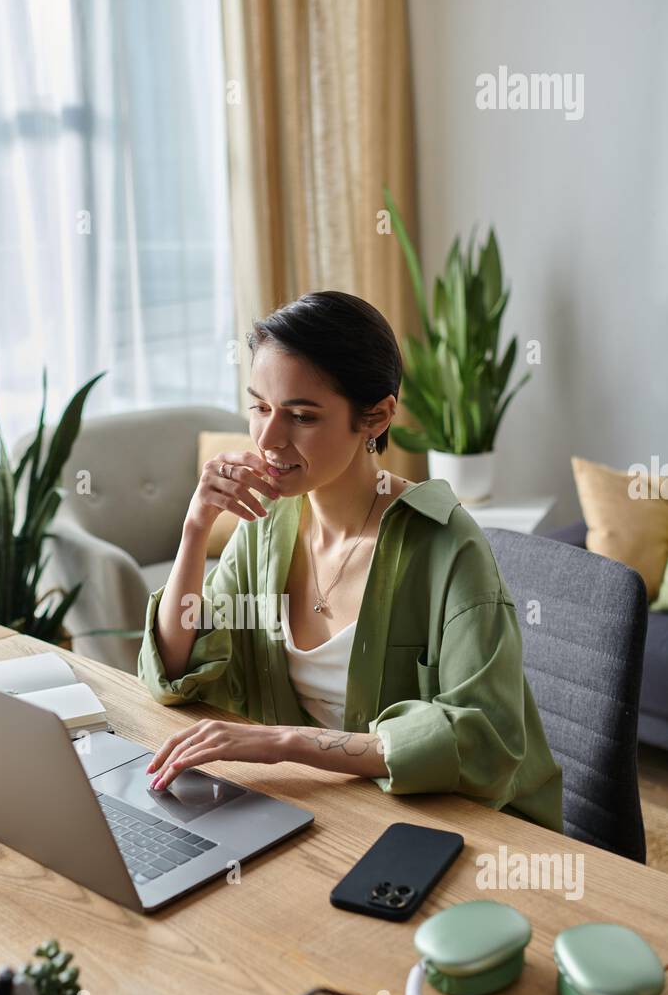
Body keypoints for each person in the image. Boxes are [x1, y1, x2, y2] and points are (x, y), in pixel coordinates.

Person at [138, 290, 563, 833]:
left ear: (377, 416)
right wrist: (195, 529)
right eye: (260, 407)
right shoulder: (263, 528)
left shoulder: (448, 547)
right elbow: (174, 669)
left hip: (462, 829)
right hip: (321, 813)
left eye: (302, 415)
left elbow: (482, 743)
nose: (269, 438)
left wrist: (286, 743)